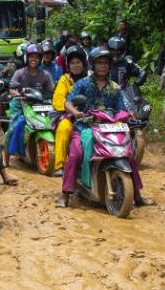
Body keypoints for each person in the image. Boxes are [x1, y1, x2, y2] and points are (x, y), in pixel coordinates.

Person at [56, 48, 152, 208]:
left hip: (108, 129)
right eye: (99, 63)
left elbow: (121, 107)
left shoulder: (114, 87)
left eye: (106, 63)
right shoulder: (83, 83)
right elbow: (68, 102)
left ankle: (138, 196)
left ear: (110, 66)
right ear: (93, 65)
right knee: (75, 155)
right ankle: (65, 195)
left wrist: (128, 115)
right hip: (83, 127)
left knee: (128, 155)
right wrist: (75, 113)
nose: (102, 66)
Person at [52, 45, 88, 177]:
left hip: (91, 115)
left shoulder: (91, 78)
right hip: (68, 115)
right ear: (68, 65)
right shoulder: (64, 79)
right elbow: (58, 100)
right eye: (72, 63)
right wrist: (73, 110)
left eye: (78, 62)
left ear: (84, 63)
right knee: (63, 130)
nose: (76, 65)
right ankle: (60, 165)